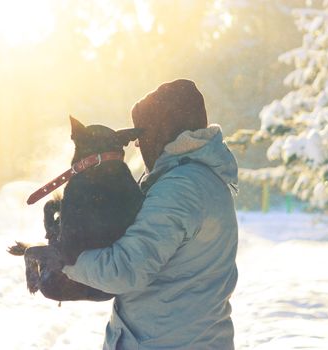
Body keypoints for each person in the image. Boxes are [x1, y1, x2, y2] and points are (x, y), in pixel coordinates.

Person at [62, 79, 239, 349]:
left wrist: (65, 261)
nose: (138, 146)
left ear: (162, 131)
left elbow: (125, 269)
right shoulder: (199, 178)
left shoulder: (180, 188)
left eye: (142, 137)